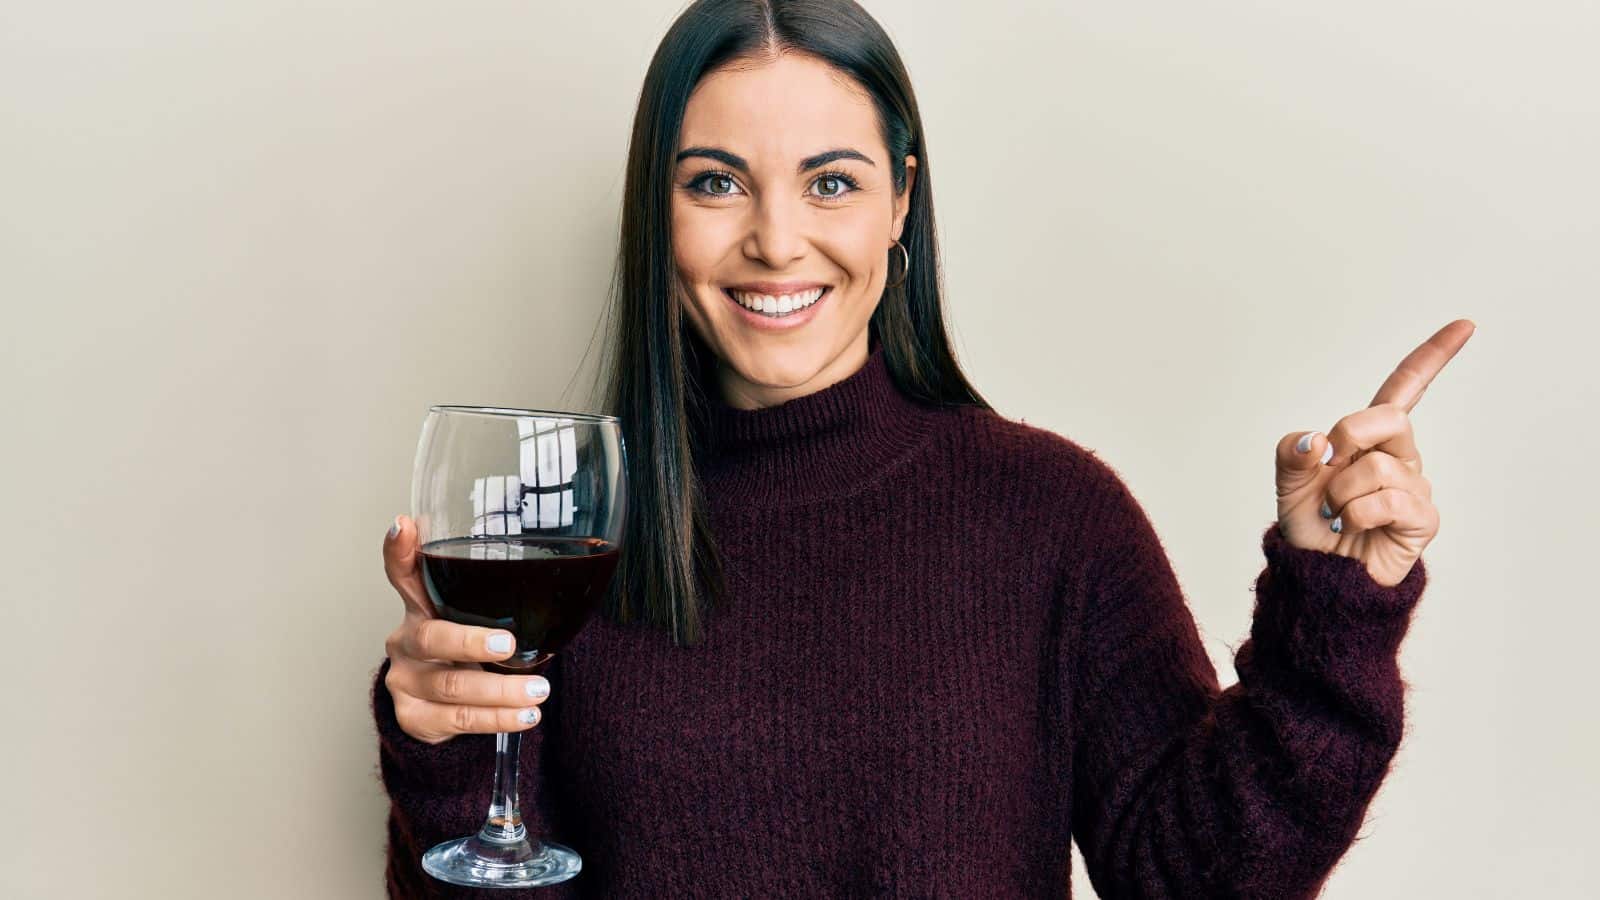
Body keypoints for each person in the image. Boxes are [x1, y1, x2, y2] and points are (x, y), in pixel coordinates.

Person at [372, 1, 1472, 896]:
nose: (776, 240)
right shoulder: (561, 537)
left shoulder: (1052, 515)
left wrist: (1334, 614)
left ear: (900, 201)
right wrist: (445, 757)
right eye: (714, 182)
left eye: (832, 182)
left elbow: (1195, 881)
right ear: (655, 213)